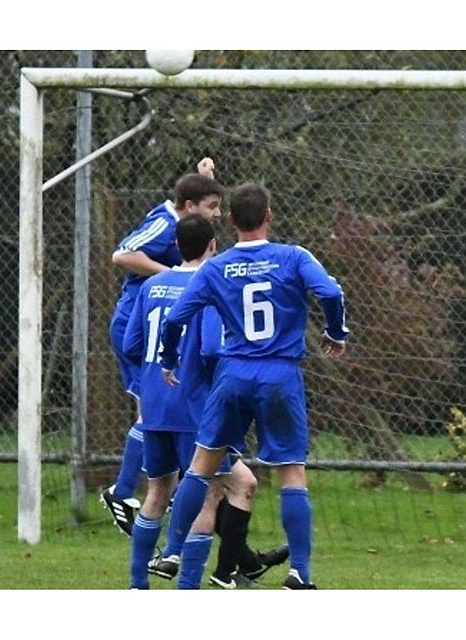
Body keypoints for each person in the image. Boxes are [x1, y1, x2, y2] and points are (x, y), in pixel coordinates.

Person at [158, 182, 349, 589]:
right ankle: (300, 573)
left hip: (233, 374)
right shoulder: (293, 257)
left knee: (200, 467)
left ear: (229, 220)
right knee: (291, 473)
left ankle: (173, 552)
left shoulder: (215, 268)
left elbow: (175, 319)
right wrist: (336, 331)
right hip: (280, 374)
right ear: (269, 216)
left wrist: (169, 358)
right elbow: (330, 291)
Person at [122, 215, 288, 589]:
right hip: (194, 406)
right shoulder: (209, 286)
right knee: (208, 493)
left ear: (176, 246)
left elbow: (131, 344)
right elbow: (211, 348)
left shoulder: (151, 285)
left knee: (156, 492)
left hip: (154, 406)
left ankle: (137, 584)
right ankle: (189, 586)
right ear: (213, 244)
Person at [100, 158, 224, 536]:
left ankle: (148, 493)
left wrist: (205, 180)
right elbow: (122, 253)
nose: (217, 215)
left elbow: (194, 201)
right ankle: (122, 492)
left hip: (159, 328)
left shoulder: (186, 221)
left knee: (158, 408)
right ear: (188, 206)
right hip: (138, 326)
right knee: (154, 409)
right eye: (212, 207)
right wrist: (170, 275)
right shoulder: (165, 222)